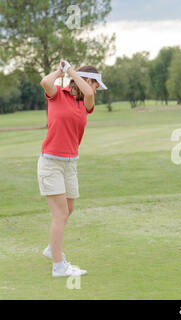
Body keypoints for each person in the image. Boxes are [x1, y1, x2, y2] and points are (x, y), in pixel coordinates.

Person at [38, 60, 107, 277]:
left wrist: (71, 72)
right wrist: (61, 71)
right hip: (51, 162)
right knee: (60, 214)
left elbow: (88, 92)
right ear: (89, 80)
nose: (96, 90)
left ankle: (52, 249)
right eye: (96, 85)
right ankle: (59, 266)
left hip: (70, 164)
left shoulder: (85, 102)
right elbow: (44, 81)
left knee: (68, 210)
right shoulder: (57, 94)